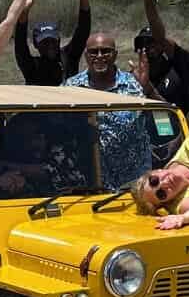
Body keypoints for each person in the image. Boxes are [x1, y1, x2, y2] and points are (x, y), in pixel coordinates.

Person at [62, 30, 152, 189]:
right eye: (93, 52)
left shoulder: (134, 85)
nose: (99, 56)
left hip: (134, 179)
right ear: (85, 55)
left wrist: (148, 89)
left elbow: (162, 113)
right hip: (89, 180)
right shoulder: (71, 88)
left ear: (115, 55)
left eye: (105, 51)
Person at [13, 0, 92, 85]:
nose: (50, 46)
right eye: (44, 42)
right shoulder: (31, 66)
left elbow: (82, 32)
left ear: (59, 40)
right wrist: (24, 11)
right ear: (36, 44)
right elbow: (20, 44)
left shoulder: (69, 57)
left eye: (53, 41)